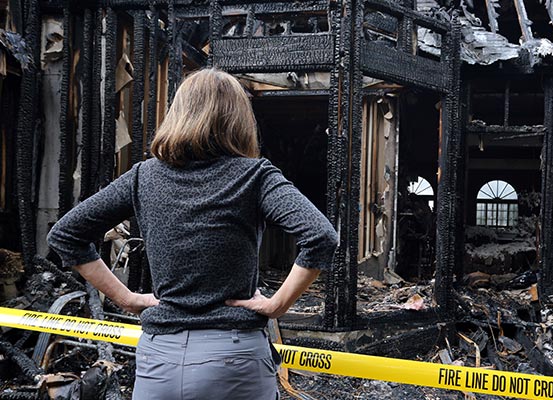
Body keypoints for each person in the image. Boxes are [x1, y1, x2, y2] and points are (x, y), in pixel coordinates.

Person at [47, 68, 338, 400]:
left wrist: (127, 299)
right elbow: (321, 236)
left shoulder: (143, 176)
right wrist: (277, 305)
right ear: (239, 119)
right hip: (235, 356)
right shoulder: (256, 176)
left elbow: (66, 234)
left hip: (160, 360)